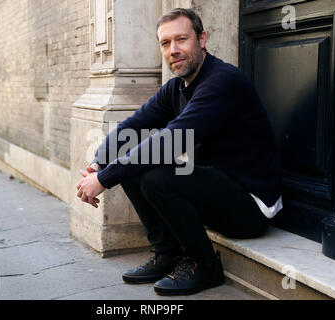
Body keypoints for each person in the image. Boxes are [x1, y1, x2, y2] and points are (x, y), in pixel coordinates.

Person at [76, 8, 282, 296]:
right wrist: (98, 165)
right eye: (165, 43)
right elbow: (130, 128)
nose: (173, 50)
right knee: (135, 160)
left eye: (182, 39)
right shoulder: (176, 88)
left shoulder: (222, 81)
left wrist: (104, 180)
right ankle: (168, 254)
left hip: (250, 205)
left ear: (201, 39)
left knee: (155, 175)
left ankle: (204, 266)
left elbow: (171, 140)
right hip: (215, 190)